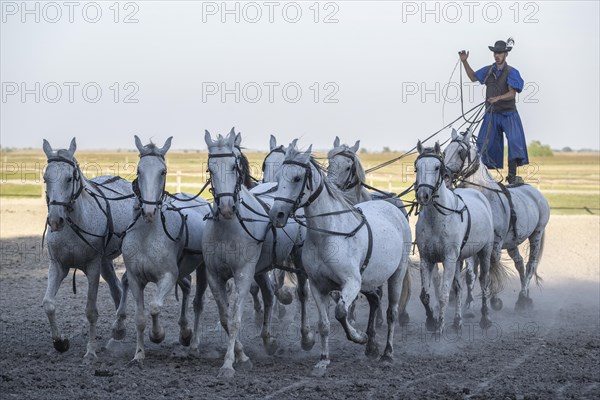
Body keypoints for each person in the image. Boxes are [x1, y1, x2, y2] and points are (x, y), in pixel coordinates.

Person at [459, 38, 528, 185]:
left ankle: (512, 176)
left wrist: (497, 98)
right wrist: (464, 61)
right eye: (495, 53)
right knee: (483, 144)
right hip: (492, 114)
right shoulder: (489, 71)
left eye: (500, 53)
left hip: (509, 114)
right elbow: (472, 77)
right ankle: (482, 176)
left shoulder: (512, 72)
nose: (497, 55)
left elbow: (512, 94)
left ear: (505, 55)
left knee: (515, 143)